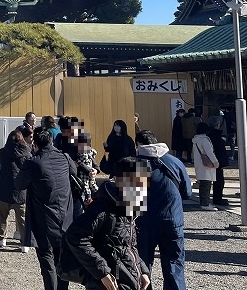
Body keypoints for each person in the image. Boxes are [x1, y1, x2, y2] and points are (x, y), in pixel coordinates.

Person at [62, 157, 151, 290]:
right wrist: (102, 273)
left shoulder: (129, 207)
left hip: (128, 279)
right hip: (107, 283)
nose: (143, 190)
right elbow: (75, 237)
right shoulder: (103, 208)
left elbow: (129, 244)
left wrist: (142, 270)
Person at [15, 129, 75, 290]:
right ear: (51, 142)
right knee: (61, 262)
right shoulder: (64, 158)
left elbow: (19, 184)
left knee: (47, 262)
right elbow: (74, 172)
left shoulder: (34, 163)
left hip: (44, 220)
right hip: (65, 218)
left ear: (35, 144)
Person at [134, 130, 192, 290]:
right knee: (174, 266)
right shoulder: (175, 162)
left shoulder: (134, 164)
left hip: (143, 223)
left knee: (142, 267)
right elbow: (187, 193)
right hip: (173, 220)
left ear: (138, 145)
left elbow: (128, 202)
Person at [0, 128, 30, 252]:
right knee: (22, 218)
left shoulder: (3, 152)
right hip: (20, 189)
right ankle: (24, 243)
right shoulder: (26, 152)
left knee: (3, 215)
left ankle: (1, 238)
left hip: (4, 188)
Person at [192, 121, 219, 210]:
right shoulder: (204, 139)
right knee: (206, 185)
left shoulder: (196, 140)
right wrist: (215, 162)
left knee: (203, 184)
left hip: (199, 163)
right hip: (207, 164)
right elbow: (209, 152)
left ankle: (204, 202)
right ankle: (205, 204)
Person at [207, 115, 229, 207]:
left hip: (212, 160)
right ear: (217, 124)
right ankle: (217, 198)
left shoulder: (208, 134)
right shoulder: (216, 136)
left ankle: (214, 198)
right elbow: (220, 151)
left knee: (212, 181)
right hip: (216, 161)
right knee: (219, 181)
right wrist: (222, 162)